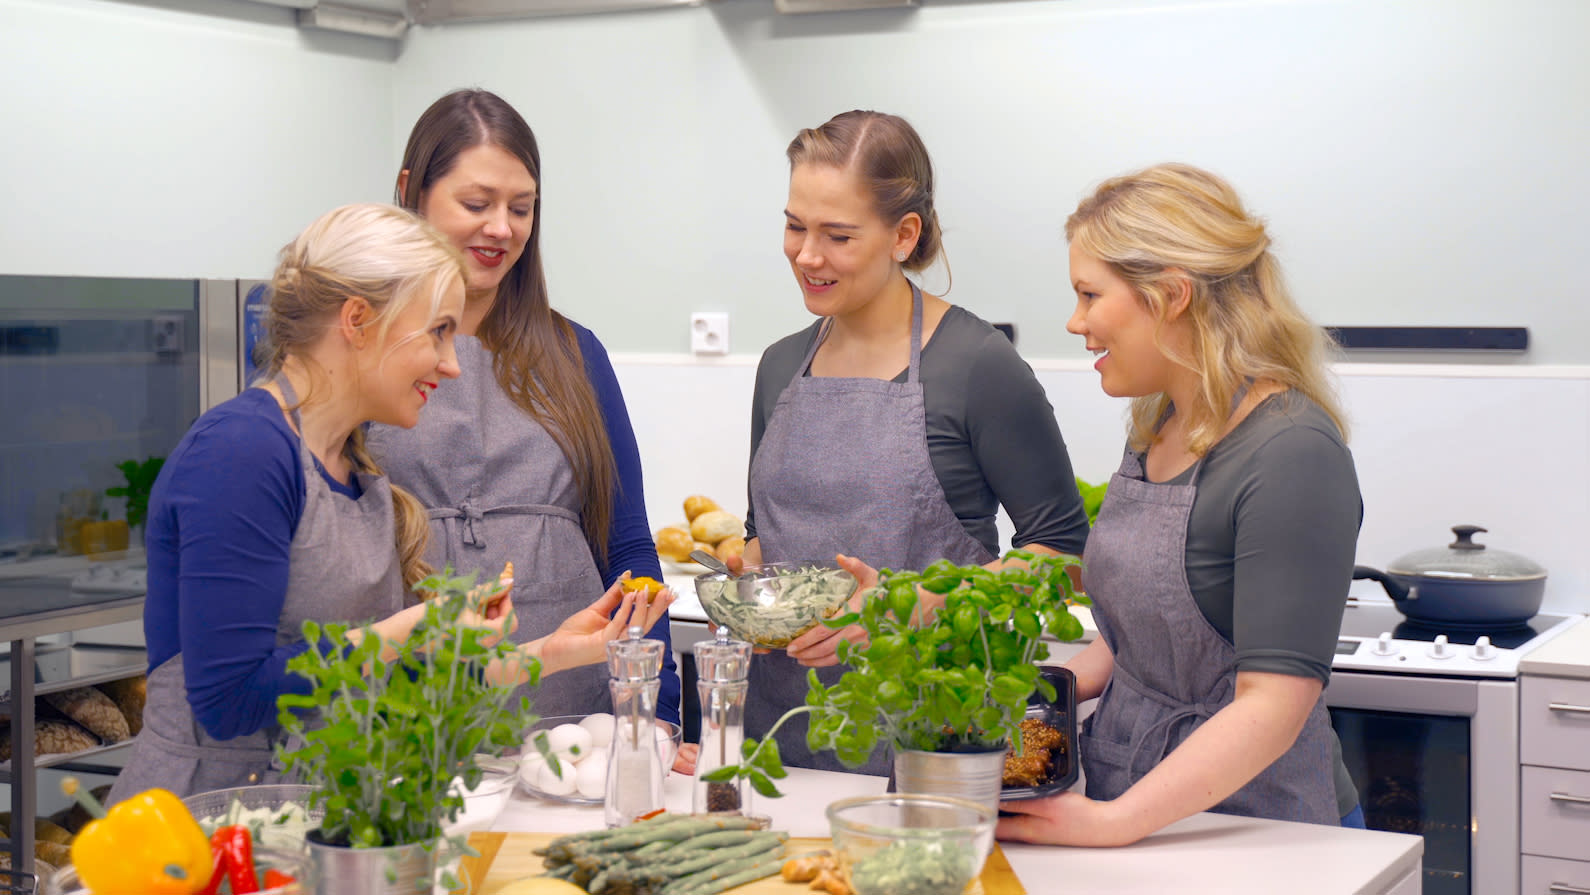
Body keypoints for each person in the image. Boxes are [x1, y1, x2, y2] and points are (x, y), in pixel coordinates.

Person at [109, 204, 672, 802]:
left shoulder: (357, 471)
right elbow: (230, 700)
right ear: (357, 320)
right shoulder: (241, 452)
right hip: (206, 824)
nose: (453, 365)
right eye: (436, 333)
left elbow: (392, 681)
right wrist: (415, 626)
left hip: (318, 814)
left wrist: (547, 654)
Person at [997, 164, 1363, 847]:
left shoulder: (1290, 451)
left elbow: (1275, 704)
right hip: (1133, 799)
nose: (1076, 321)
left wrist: (1111, 823)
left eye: (1088, 294)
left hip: (1259, 832)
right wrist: (1019, 713)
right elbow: (1141, 638)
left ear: (1171, 295)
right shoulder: (1161, 424)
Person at [739, 110, 1091, 775]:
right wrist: (752, 593)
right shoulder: (780, 367)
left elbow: (1063, 555)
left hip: (939, 751)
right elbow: (765, 538)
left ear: (904, 235)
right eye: (794, 226)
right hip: (782, 752)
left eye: (837, 235)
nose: (807, 255)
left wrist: (917, 604)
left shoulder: (976, 365)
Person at [366, 89, 692, 768]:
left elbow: (628, 543)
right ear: (410, 192)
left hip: (579, 720)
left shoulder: (577, 355)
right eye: (477, 203)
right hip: (403, 720)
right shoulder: (363, 359)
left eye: (521, 208)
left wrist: (653, 711)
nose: (502, 229)